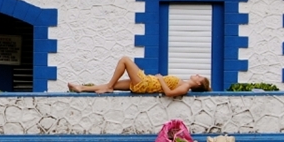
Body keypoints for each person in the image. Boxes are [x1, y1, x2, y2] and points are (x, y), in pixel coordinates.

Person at [68, 56, 210, 97]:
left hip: (146, 84)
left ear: (198, 84)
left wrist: (161, 79)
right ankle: (81, 88)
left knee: (125, 60)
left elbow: (169, 93)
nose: (197, 75)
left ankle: (109, 87)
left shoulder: (185, 87)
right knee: (110, 84)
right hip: (146, 82)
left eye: (199, 77)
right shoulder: (183, 83)